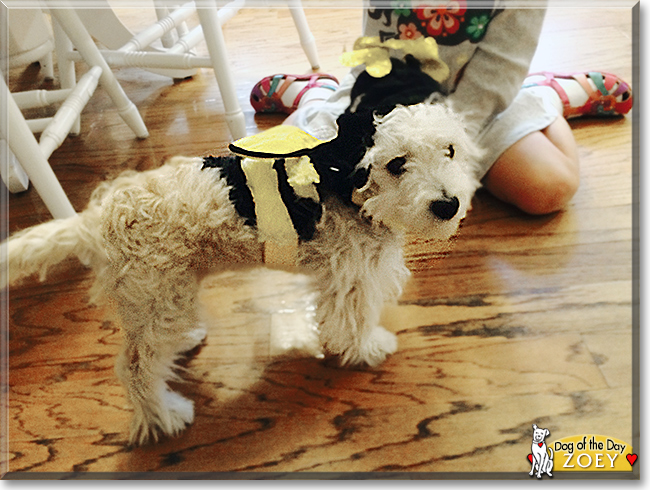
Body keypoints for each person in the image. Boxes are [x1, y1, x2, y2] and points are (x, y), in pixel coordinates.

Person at [248, 2, 633, 215]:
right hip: (381, 90)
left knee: (550, 189)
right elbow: (380, 52)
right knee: (285, 170)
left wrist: (448, 152)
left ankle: (548, 95)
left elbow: (497, 72)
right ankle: (315, 94)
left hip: (476, 102)